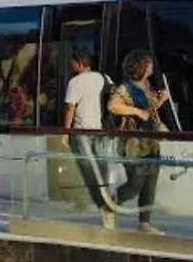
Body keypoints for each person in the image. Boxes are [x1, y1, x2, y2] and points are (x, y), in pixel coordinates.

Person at [107, 48, 169, 235]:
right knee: (135, 183)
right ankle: (110, 203)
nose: (152, 66)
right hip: (133, 144)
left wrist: (161, 101)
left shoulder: (147, 85)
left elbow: (149, 111)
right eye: (148, 63)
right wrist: (136, 112)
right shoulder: (125, 88)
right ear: (141, 65)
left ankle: (144, 224)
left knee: (150, 183)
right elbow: (113, 106)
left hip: (151, 141)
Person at [62, 51, 115, 229]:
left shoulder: (75, 82)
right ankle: (107, 202)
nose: (71, 66)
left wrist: (65, 132)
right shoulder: (104, 78)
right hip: (102, 130)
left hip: (81, 132)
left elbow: (70, 109)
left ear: (79, 63)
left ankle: (103, 207)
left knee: (88, 171)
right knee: (103, 169)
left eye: (72, 63)